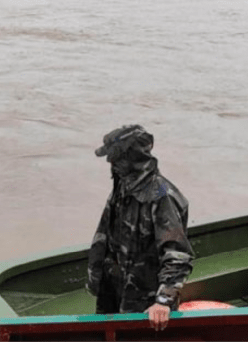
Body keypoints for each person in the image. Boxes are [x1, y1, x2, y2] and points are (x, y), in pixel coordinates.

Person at [86, 125, 194, 332]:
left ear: (132, 157)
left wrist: (163, 301)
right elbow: (105, 235)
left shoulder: (162, 194)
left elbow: (178, 254)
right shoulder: (123, 186)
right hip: (115, 290)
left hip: (146, 302)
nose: (111, 163)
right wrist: (96, 278)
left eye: (116, 158)